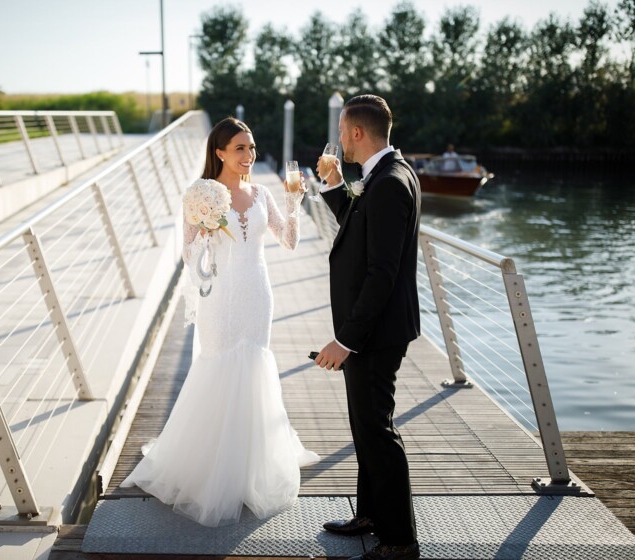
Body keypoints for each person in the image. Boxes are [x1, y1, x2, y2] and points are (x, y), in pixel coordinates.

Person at [121, 117, 319, 527]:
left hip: (257, 295)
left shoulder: (262, 193)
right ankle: (211, 470)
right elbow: (188, 256)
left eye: (252, 148)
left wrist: (292, 205)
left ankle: (249, 470)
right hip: (221, 298)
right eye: (241, 148)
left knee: (255, 369)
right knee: (218, 369)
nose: (249, 156)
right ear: (220, 153)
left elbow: (289, 241)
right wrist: (208, 232)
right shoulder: (201, 195)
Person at [313, 95, 421, 560]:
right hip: (373, 330)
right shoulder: (383, 175)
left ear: (357, 132)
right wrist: (337, 188)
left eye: (342, 130)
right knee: (365, 426)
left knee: (376, 429)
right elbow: (360, 229)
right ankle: (370, 514)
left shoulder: (390, 183)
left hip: (375, 334)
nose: (339, 139)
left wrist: (345, 340)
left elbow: (383, 272)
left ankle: (399, 540)